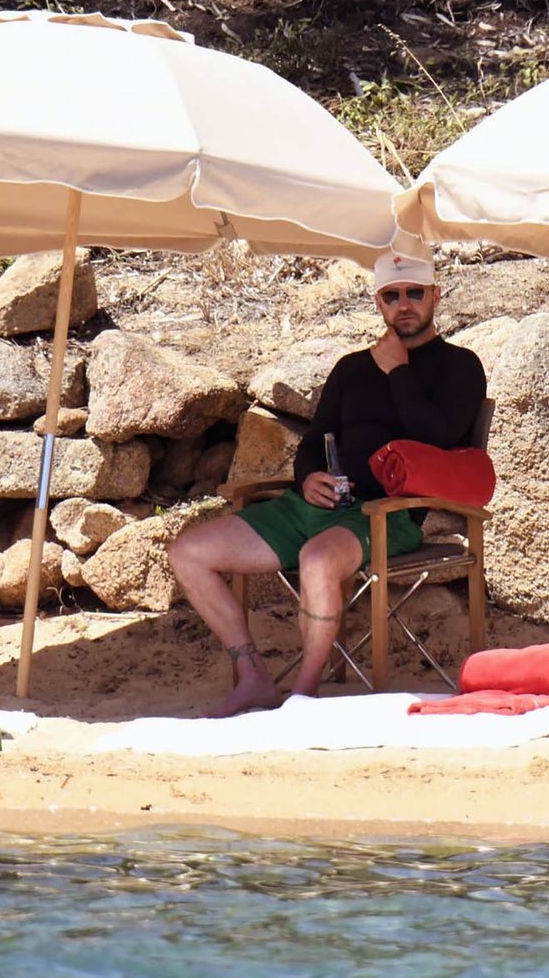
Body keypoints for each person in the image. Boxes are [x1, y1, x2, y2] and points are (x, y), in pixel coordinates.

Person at [169, 251, 487, 717]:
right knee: (188, 553)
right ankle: (253, 677)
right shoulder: (352, 368)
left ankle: (304, 695)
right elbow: (314, 442)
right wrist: (308, 479)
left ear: (435, 296)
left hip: (386, 513)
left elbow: (439, 439)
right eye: (391, 296)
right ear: (378, 303)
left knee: (317, 560)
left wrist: (398, 370)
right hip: (312, 506)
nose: (403, 305)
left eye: (414, 293)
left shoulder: (460, 366)